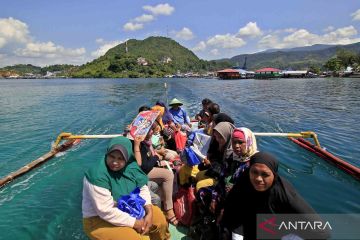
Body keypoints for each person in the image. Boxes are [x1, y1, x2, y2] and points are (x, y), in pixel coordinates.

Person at [222, 152, 331, 240]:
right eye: (254, 172)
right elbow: (231, 204)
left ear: (274, 175)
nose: (258, 179)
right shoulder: (244, 181)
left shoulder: (284, 193)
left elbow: (322, 231)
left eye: (265, 174)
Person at [82, 136, 170, 240]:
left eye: (120, 158)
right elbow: (105, 210)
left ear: (127, 158)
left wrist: (149, 210)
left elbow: (142, 188)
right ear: (107, 153)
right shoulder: (97, 176)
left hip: (129, 205)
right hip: (99, 218)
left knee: (159, 221)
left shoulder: (131, 167)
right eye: (112, 156)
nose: (115, 162)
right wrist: (136, 223)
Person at [133, 124, 178, 226]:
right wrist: (156, 158)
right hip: (141, 173)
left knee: (169, 168)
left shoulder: (146, 142)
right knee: (168, 175)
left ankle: (166, 201)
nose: (152, 132)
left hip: (148, 167)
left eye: (152, 130)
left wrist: (156, 158)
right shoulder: (140, 144)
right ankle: (169, 209)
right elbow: (144, 166)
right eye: (150, 130)